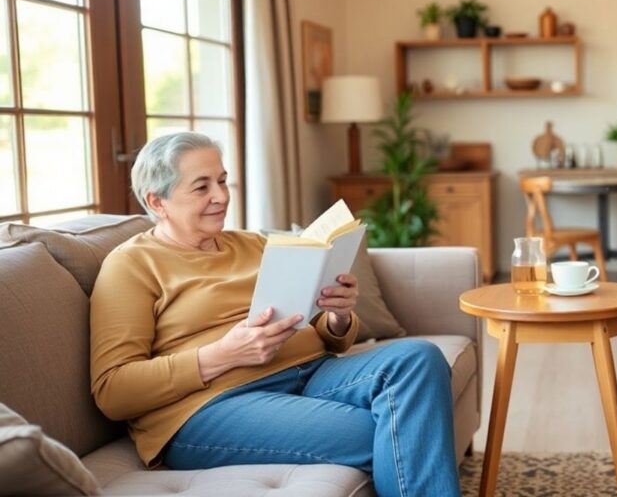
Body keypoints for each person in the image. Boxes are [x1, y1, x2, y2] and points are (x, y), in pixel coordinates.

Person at [90, 132, 460, 497]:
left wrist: (338, 317)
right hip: (209, 408)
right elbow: (113, 390)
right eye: (201, 188)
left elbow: (319, 326)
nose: (221, 197)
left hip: (311, 371)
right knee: (400, 428)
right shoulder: (131, 265)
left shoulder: (253, 244)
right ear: (158, 201)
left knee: (419, 357)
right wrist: (224, 354)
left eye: (222, 181)